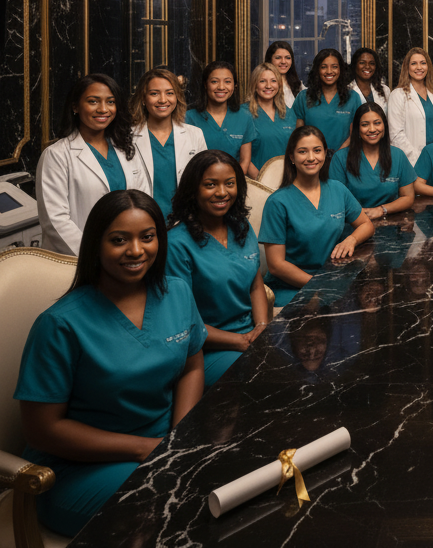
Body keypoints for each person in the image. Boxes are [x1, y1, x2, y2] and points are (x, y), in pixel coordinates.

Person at [15, 190, 205, 536]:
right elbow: (41, 429)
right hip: (79, 470)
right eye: (119, 240)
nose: (136, 251)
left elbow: (191, 364)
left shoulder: (176, 291)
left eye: (147, 237)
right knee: (181, 506)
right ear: (96, 245)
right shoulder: (60, 324)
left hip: (162, 446)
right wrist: (144, 448)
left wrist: (178, 437)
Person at [166, 150, 269, 385]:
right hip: (205, 349)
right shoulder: (177, 244)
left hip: (251, 335)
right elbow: (182, 321)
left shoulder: (241, 227)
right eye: (210, 185)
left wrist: (262, 326)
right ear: (193, 190)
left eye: (229, 184)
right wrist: (240, 341)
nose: (222, 192)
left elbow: (255, 284)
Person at [258, 125, 372, 308]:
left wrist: (351, 239)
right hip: (293, 289)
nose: (311, 157)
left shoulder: (337, 189)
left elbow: (366, 224)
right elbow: (276, 265)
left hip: (333, 281)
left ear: (325, 154)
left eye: (317, 150)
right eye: (303, 151)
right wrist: (318, 285)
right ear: (291, 157)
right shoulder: (277, 202)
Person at [37, 73, 149, 255]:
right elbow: (55, 221)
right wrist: (95, 256)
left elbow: (143, 201)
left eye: (110, 102)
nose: (103, 109)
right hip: (80, 259)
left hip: (129, 254)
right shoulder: (56, 155)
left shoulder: (127, 148)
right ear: (75, 106)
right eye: (93, 101)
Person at [129, 68, 206, 221]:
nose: (163, 100)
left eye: (170, 93)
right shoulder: (127, 137)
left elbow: (203, 181)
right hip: (141, 220)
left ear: (177, 97)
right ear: (143, 99)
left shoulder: (195, 134)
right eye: (154, 93)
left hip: (185, 222)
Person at [330, 102, 416, 221]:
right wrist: (360, 215)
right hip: (354, 224)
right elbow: (336, 201)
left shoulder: (398, 155)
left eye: (377, 123)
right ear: (357, 128)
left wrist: (382, 210)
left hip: (391, 223)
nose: (372, 129)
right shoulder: (340, 158)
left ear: (384, 126)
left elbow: (408, 197)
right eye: (365, 124)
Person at [185, 62, 255, 172]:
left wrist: (233, 182)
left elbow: (245, 160)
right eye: (214, 81)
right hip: (199, 182)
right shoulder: (189, 118)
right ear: (205, 84)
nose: (221, 87)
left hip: (234, 183)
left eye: (227, 82)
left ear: (234, 85)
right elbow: (185, 160)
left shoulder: (244, 117)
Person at [386, 47, 433, 167]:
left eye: (423, 63)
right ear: (407, 68)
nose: (419, 67)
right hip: (411, 162)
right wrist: (418, 159)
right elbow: (396, 134)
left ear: (428, 66)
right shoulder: (398, 95)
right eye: (414, 64)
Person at [292, 48, 355, 152]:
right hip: (311, 160)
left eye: (334, 67)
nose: (329, 71)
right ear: (317, 70)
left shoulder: (353, 97)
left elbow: (355, 135)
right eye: (323, 67)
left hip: (343, 160)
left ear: (341, 69)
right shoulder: (303, 97)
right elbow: (297, 135)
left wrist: (337, 157)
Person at [245, 63, 296, 178]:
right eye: (262, 81)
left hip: (288, 179)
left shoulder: (288, 113)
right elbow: (240, 153)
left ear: (279, 84)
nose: (268, 86)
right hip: (257, 181)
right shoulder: (244, 113)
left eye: (273, 81)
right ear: (255, 85)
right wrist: (261, 180)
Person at [265, 40, 303, 108]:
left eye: (287, 58)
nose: (283, 61)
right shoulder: (263, 85)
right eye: (278, 58)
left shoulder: (299, 86)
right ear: (270, 59)